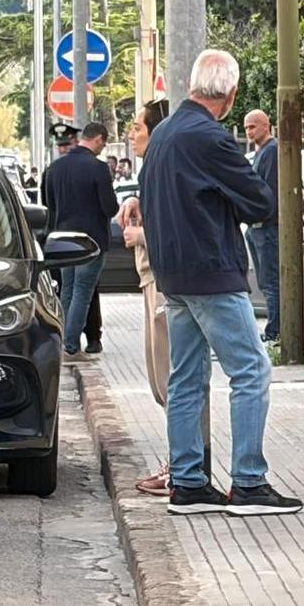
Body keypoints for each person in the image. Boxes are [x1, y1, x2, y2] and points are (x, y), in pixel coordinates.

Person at [128, 49, 302, 516]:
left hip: (172, 274)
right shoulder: (212, 139)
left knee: (187, 376)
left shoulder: (162, 134)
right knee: (251, 370)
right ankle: (248, 481)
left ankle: (188, 483)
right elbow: (260, 202)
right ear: (230, 95)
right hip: (212, 270)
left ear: (192, 86)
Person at [115, 99, 175, 495]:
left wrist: (143, 237)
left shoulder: (167, 168)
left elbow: (180, 229)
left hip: (166, 282)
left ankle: (184, 465)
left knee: (173, 380)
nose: (131, 134)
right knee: (159, 380)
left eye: (137, 126)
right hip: (150, 280)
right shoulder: (150, 171)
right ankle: (180, 462)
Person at [44, 122, 120, 359]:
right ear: (97, 139)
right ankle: (69, 343)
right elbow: (109, 208)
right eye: (103, 144)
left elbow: (50, 207)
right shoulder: (98, 168)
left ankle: (66, 338)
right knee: (83, 291)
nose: (102, 148)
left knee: (67, 290)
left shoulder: (54, 168)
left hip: (63, 241)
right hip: (91, 242)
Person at [243, 109, 280, 342]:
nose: (248, 132)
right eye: (246, 127)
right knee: (265, 280)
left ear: (266, 126)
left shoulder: (271, 152)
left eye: (252, 127)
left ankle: (275, 331)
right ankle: (273, 329)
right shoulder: (260, 153)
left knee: (270, 280)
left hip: (266, 227)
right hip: (256, 227)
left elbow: (267, 192)